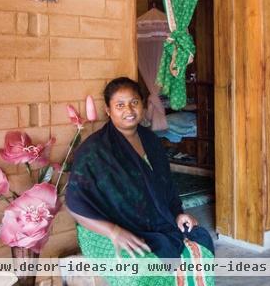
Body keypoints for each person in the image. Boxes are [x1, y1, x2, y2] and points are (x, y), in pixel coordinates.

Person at [66, 77, 214, 285]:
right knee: (143, 270)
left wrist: (178, 214)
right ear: (108, 110)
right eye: (120, 105)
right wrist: (115, 232)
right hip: (114, 225)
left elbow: (166, 186)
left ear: (143, 105)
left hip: (158, 220)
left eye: (134, 102)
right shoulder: (94, 150)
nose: (129, 109)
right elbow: (75, 204)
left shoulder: (150, 140)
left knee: (200, 242)